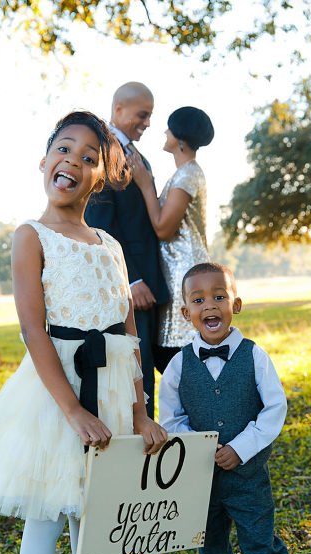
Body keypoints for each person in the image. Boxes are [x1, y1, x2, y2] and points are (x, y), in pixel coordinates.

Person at [0, 111, 168, 554]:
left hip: (109, 384)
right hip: (56, 392)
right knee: (46, 518)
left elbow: (128, 330)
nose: (74, 162)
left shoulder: (110, 243)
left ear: (102, 177)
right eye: (64, 149)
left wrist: (138, 409)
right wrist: (71, 411)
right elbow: (34, 331)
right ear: (44, 160)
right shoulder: (30, 236)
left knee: (94, 513)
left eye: (90, 158)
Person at [158, 262, 296, 554]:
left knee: (258, 539)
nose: (210, 306)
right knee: (210, 541)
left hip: (247, 477)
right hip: (201, 480)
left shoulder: (254, 356)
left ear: (236, 304)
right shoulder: (177, 366)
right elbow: (170, 418)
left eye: (219, 296)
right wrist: (198, 447)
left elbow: (274, 409)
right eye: (199, 300)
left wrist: (240, 447)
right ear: (186, 313)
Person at [85, 82, 169, 417]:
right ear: (118, 109)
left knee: (146, 365)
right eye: (143, 114)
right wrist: (131, 280)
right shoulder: (102, 151)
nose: (147, 123)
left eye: (150, 116)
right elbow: (101, 225)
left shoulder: (134, 153)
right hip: (131, 285)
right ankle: (139, 441)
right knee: (137, 369)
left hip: (150, 278)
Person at [130, 106, 214, 372]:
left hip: (184, 270)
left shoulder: (188, 174)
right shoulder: (182, 173)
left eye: (168, 128)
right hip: (174, 268)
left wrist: (145, 185)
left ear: (179, 138)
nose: (164, 132)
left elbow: (164, 228)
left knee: (182, 352)